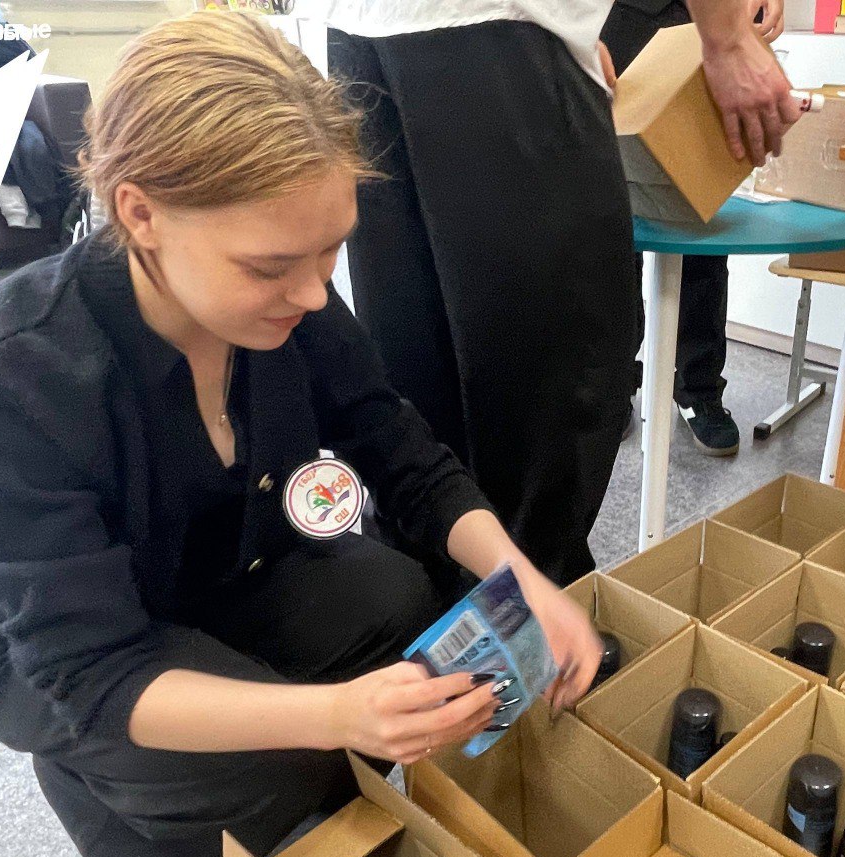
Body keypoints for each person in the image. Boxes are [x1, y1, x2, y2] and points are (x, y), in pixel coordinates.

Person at [0, 12, 600, 857]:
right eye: (271, 266)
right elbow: (86, 665)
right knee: (284, 762)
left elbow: (402, 453)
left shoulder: (291, 297)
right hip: (44, 646)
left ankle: (230, 706)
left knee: (399, 599)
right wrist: (334, 716)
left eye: (332, 250)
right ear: (140, 212)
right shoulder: (1, 376)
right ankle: (104, 787)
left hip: (208, 566)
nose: (315, 294)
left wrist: (525, 581)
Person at [325, 0, 800, 581]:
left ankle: (449, 618)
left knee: (420, 383)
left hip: (362, 33)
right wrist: (727, 41)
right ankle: (531, 615)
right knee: (553, 401)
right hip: (496, 29)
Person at [603, 0, 787, 458]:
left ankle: (698, 387)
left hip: (704, 15)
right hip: (619, 14)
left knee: (701, 209)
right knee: (615, 219)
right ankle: (614, 383)